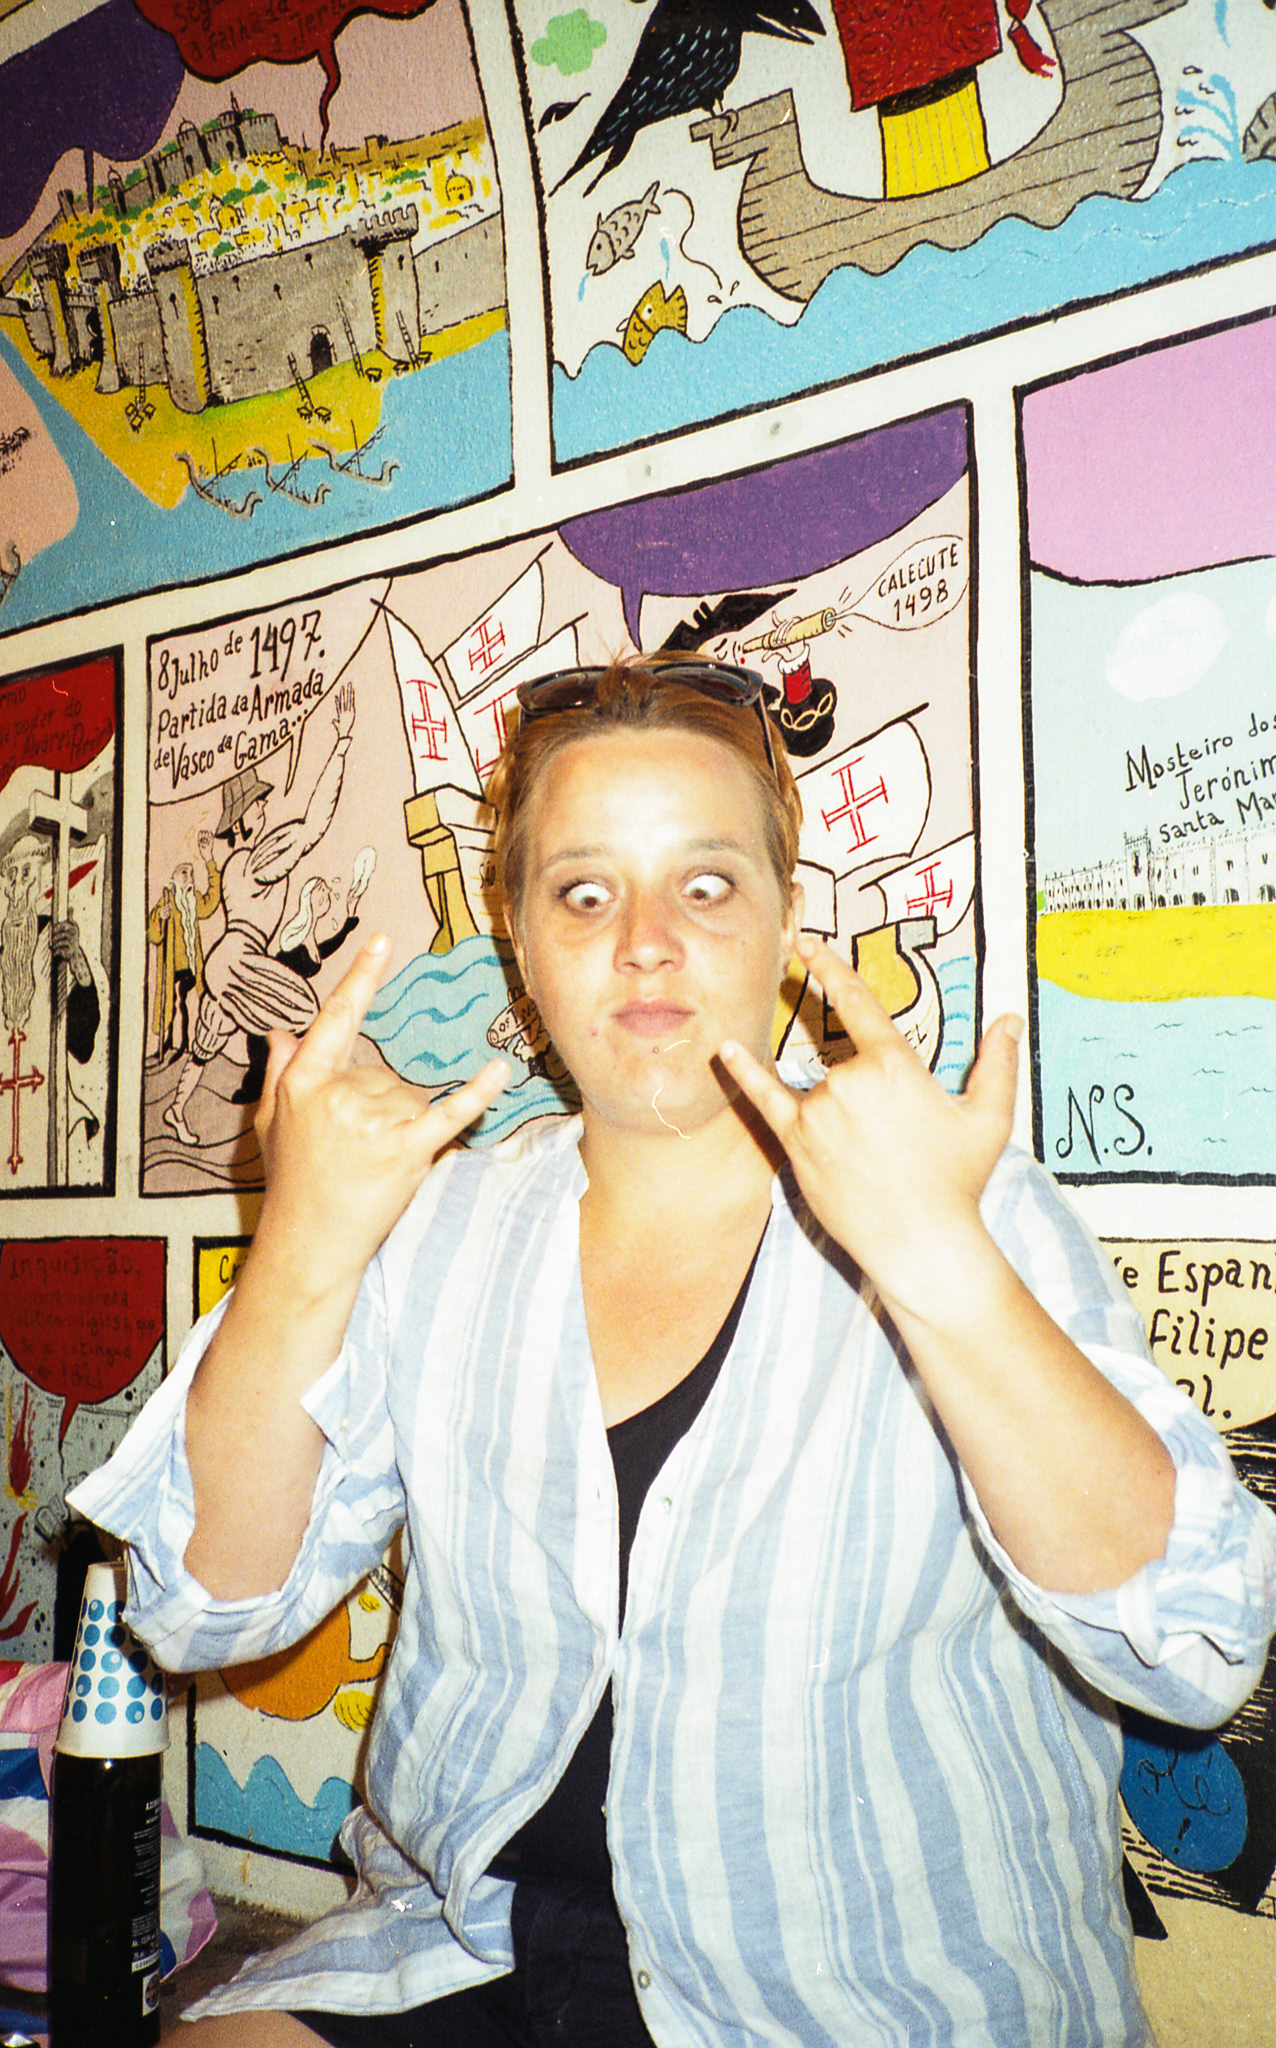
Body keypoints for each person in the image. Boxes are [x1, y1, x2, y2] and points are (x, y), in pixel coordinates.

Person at [71, 658, 1275, 2047]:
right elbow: (205, 1611)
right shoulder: (438, 1227)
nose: (645, 943)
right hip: (467, 1940)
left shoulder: (956, 1203)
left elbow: (1197, 1649)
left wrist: (940, 1266)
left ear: (785, 921)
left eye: (705, 886)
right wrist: (301, 1244)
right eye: (583, 893)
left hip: (863, 1995)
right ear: (521, 942)